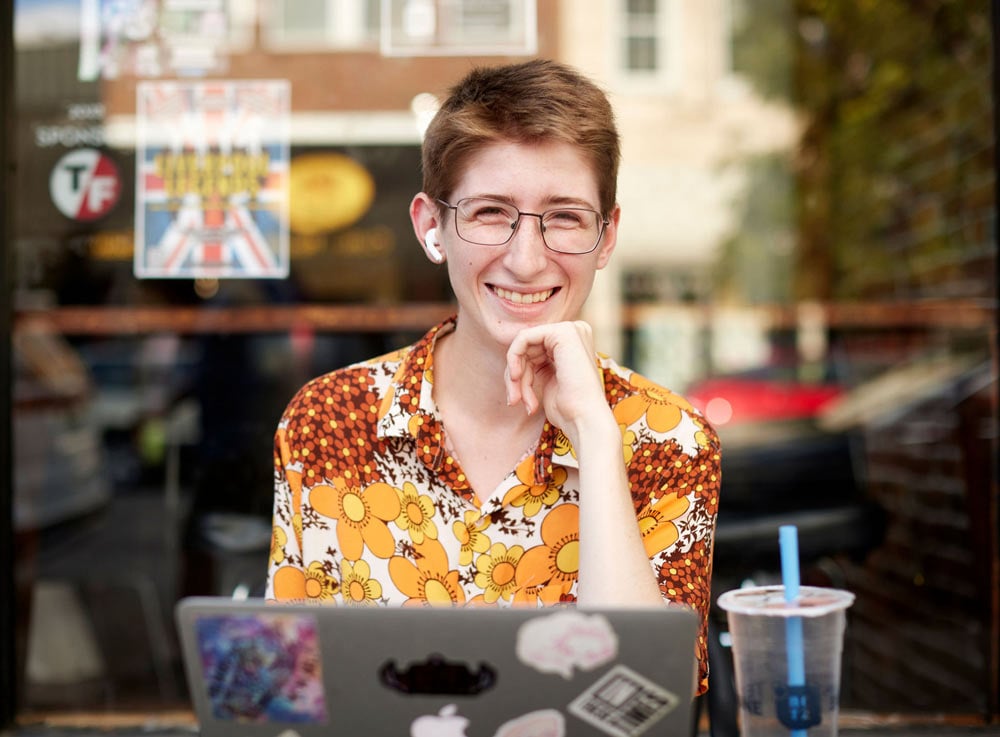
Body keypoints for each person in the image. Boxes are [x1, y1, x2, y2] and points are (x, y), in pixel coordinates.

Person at [265, 58, 721, 696]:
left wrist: (594, 436)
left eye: (564, 217)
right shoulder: (331, 419)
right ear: (433, 227)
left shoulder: (670, 438)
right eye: (489, 213)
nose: (527, 260)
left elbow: (643, 703)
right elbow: (295, 690)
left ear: (606, 236)